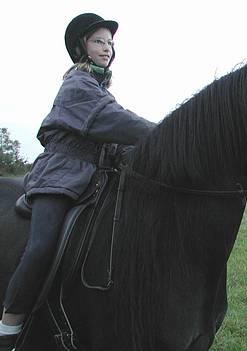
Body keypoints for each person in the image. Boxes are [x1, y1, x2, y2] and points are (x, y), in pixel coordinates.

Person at [0, 13, 156, 350]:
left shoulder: (100, 90)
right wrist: (166, 133)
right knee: (40, 248)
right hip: (60, 175)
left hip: (92, 176)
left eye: (111, 43)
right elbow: (113, 121)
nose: (107, 49)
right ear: (81, 47)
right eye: (100, 41)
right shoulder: (77, 85)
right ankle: (9, 326)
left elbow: (114, 140)